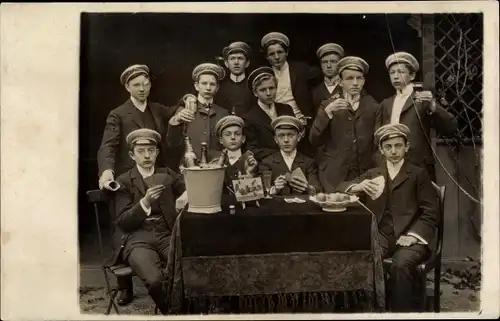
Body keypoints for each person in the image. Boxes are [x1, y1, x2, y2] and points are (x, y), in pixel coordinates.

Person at [97, 64, 178, 305]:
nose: (142, 89)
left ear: (150, 84)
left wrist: (186, 103)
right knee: (124, 226)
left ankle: (158, 269)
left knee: (160, 218)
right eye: (136, 85)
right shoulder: (119, 113)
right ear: (127, 87)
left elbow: (175, 111)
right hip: (127, 178)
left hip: (155, 173)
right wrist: (107, 172)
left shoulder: (157, 109)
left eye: (145, 84)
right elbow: (108, 146)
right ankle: (125, 286)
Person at [336, 123, 438, 312]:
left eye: (398, 145)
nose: (393, 151)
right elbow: (341, 188)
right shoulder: (374, 174)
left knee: (401, 265)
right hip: (382, 234)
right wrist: (357, 187)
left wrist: (414, 236)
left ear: (406, 147)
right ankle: (369, 310)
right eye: (388, 147)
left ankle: (401, 313)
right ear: (381, 150)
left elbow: (431, 212)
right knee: (363, 259)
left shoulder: (418, 174)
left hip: (412, 237)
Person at [111, 128, 187, 314]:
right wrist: (144, 202)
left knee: (186, 271)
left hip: (166, 232)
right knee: (155, 280)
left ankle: (183, 312)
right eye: (141, 151)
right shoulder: (124, 181)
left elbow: (190, 186)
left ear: (157, 152)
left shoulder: (167, 174)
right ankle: (173, 314)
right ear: (132, 155)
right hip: (137, 238)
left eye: (151, 151)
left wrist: (185, 195)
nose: (147, 156)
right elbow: (123, 221)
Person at [377, 52, 458, 181]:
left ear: (412, 75)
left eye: (401, 72)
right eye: (392, 73)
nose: (396, 77)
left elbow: (451, 127)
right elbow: (378, 138)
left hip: (419, 167)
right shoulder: (385, 104)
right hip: (391, 167)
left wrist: (432, 106)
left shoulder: (422, 100)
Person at [309, 56, 380, 192]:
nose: (355, 83)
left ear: (364, 81)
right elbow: (314, 139)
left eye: (359, 78)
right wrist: (327, 113)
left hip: (363, 175)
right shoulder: (328, 105)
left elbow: (377, 144)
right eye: (349, 78)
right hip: (333, 177)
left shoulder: (373, 107)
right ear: (340, 82)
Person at [167, 63, 229, 161]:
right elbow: (172, 143)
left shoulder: (223, 113)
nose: (208, 88)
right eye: (204, 83)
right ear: (196, 86)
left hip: (217, 168)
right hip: (190, 168)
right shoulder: (183, 111)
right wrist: (176, 121)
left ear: (217, 88)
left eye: (212, 84)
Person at [261, 32, 322, 119]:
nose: (277, 57)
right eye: (272, 54)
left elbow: (322, 76)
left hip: (301, 119)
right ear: (266, 57)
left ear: (287, 52)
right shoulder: (264, 74)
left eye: (280, 52)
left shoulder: (301, 69)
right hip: (275, 120)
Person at [242, 66, 295, 162]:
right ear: (255, 92)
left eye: (272, 88)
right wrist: (280, 154)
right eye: (263, 90)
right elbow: (252, 149)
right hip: (267, 164)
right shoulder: (249, 118)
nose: (268, 93)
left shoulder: (286, 110)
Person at [259, 115, 322, 196]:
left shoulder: (309, 163)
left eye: (291, 135)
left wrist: (308, 188)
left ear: (299, 137)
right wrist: (274, 189)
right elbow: (261, 191)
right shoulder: (267, 163)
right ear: (275, 139)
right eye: (281, 136)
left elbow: (318, 188)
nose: (286, 140)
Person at [214, 114, 258, 195]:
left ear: (243, 139)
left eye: (237, 134)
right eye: (228, 134)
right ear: (221, 140)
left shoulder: (251, 161)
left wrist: (248, 174)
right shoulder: (216, 163)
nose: (233, 137)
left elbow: (253, 197)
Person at [215, 41, 255, 116]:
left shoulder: (253, 87)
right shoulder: (219, 87)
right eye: (232, 58)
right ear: (226, 63)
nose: (236, 62)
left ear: (247, 63)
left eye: (240, 58)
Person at [312, 43, 345, 111]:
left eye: (333, 61)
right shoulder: (315, 92)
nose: (328, 66)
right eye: (324, 62)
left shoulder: (348, 87)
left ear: (340, 64)